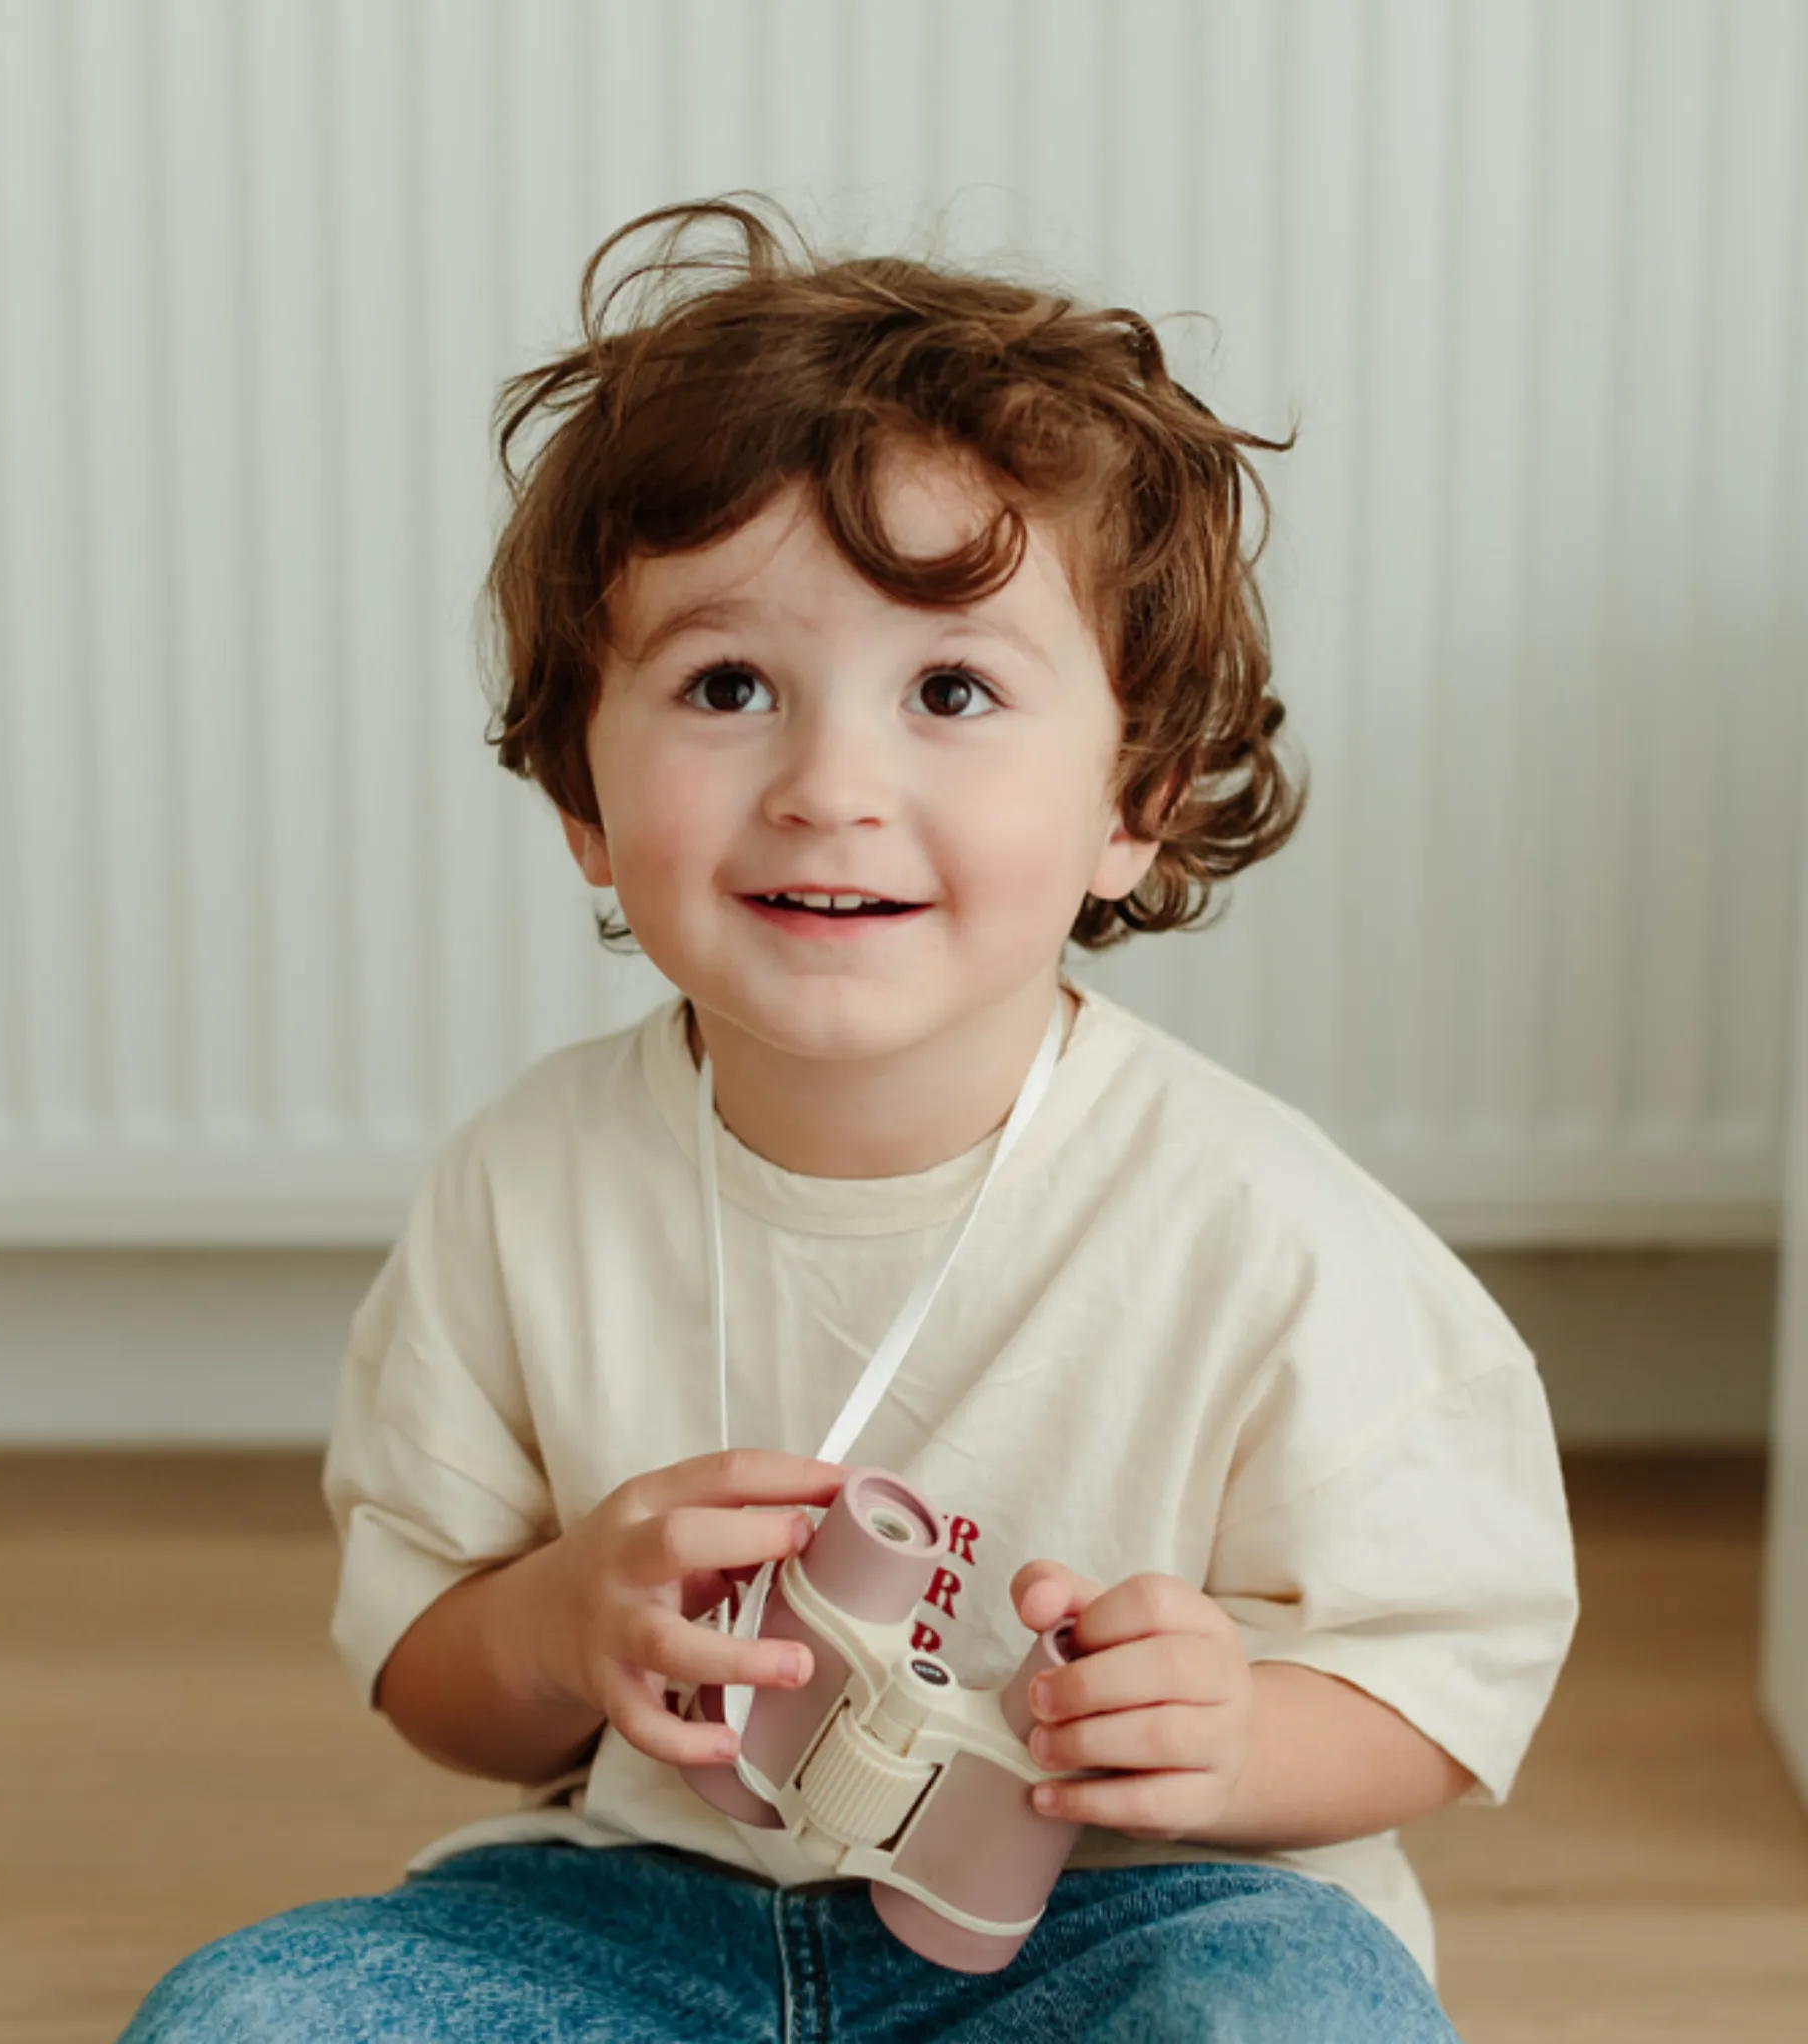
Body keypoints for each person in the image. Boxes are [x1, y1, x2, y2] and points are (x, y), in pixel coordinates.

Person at [121, 197, 1577, 2042]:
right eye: (730, 687)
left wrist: (1232, 1735)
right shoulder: (528, 1187)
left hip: (1117, 1924)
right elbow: (434, 1684)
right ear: (581, 785)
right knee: (250, 2018)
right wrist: (569, 1619)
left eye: (951, 690)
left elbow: (1446, 1675)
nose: (831, 787)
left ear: (1133, 797)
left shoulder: (1261, 1229)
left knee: (1292, 2012)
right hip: (639, 1916)